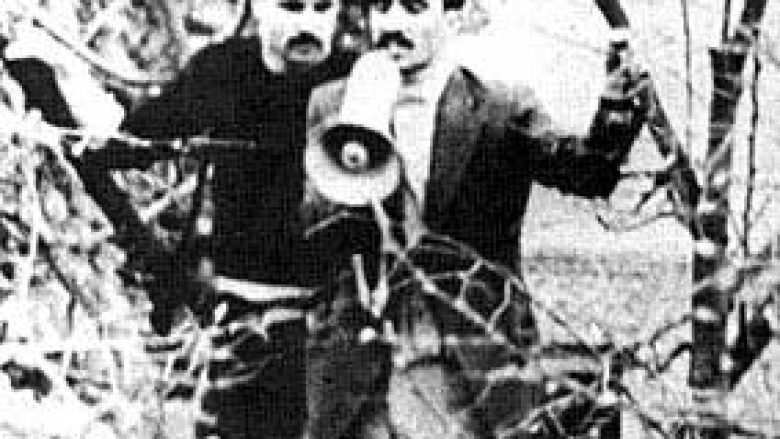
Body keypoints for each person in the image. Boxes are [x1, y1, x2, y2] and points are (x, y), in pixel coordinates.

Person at [4, 1, 359, 437]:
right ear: (259, 8)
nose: (308, 24)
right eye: (292, 6)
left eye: (323, 8)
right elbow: (128, 143)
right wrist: (47, 78)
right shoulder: (224, 70)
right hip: (248, 317)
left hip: (338, 320)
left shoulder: (357, 79)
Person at [304, 0, 649, 436]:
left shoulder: (498, 109)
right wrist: (359, 125)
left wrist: (619, 101)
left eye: (414, 7)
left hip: (470, 355)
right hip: (360, 363)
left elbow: (589, 173)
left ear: (453, 17)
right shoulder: (333, 103)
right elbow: (314, 229)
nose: (393, 24)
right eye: (382, 6)